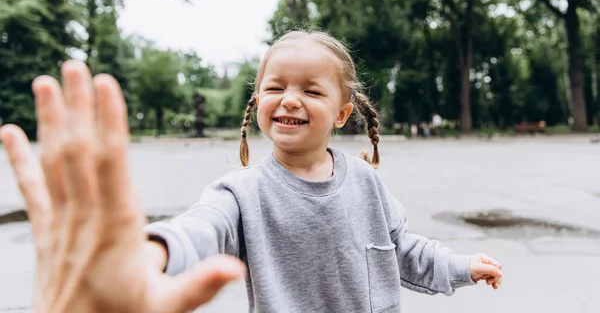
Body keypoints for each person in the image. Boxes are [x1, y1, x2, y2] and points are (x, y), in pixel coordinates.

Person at [0, 30, 503, 313]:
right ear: (257, 100)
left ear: (343, 113)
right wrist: (150, 252)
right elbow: (201, 229)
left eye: (311, 89)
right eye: (276, 86)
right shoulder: (241, 192)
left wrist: (460, 266)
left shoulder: (367, 182)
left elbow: (401, 250)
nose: (289, 98)